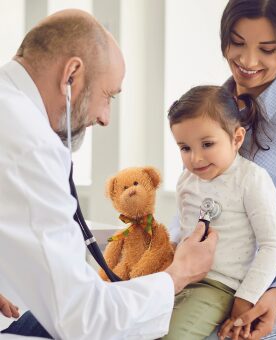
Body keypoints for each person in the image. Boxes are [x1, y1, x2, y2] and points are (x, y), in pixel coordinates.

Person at [0, 9, 218, 340]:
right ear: (72, 75)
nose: (105, 118)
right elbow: (84, 320)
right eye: (108, 96)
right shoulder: (29, 144)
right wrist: (179, 274)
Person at [205, 0, 276, 339]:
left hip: (275, 292)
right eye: (237, 42)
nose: (247, 61)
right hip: (211, 284)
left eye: (267, 49)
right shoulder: (209, 108)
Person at [163, 85, 276, 340]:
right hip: (178, 278)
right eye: (185, 148)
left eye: (207, 144)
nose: (195, 158)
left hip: (218, 286)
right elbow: (184, 230)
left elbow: (273, 246)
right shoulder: (187, 180)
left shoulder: (251, 179)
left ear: (237, 138)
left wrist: (246, 297)